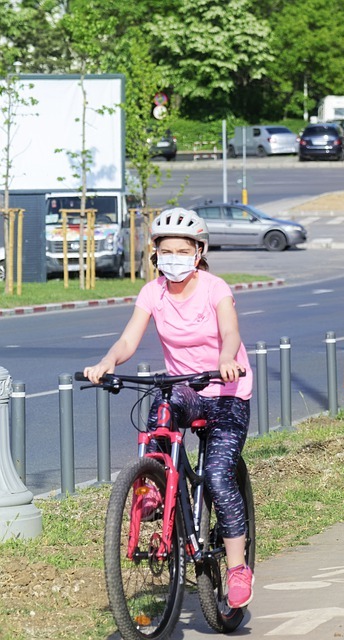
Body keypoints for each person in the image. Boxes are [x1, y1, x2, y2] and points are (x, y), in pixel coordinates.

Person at [83, 207, 255, 609]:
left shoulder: (215, 288)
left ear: (198, 252)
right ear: (155, 254)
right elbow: (128, 340)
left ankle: (236, 567)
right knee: (160, 403)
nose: (173, 257)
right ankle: (151, 485)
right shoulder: (152, 293)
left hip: (226, 389)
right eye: (165, 250)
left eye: (182, 249)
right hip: (188, 388)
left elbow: (230, 332)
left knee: (216, 474)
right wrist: (108, 362)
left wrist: (227, 358)